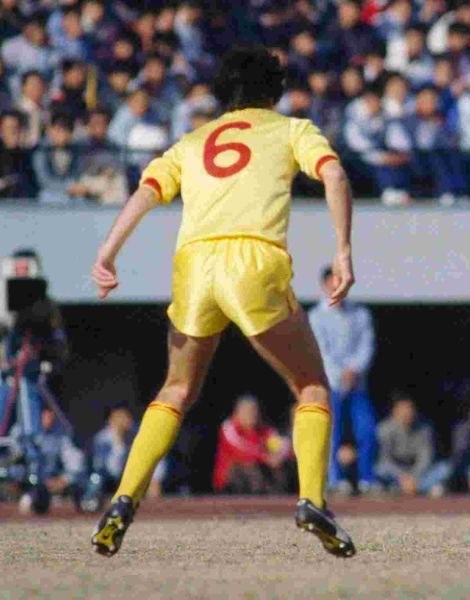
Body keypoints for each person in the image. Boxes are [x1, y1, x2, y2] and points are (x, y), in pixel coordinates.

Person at [89, 46, 358, 558]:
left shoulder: (191, 141)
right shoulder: (291, 129)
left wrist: (108, 252)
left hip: (193, 265)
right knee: (310, 385)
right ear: (275, 91)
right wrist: (342, 252)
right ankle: (312, 501)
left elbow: (146, 190)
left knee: (176, 387)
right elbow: (335, 176)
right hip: (253, 260)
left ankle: (124, 499)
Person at [0, 248, 68, 513]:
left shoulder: (46, 304)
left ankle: (33, 490)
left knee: (33, 436)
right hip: (4, 375)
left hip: (30, 376)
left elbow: (58, 339)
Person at [309, 265, 377, 495]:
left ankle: (367, 478)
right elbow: (321, 351)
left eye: (341, 282)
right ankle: (335, 479)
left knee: (366, 430)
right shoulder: (316, 316)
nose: (337, 287)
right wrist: (339, 374)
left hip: (357, 384)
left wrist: (354, 370)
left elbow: (366, 346)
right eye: (332, 282)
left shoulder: (360, 314)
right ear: (325, 285)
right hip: (332, 385)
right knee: (332, 431)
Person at [212, 395, 291, 494]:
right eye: (247, 411)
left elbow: (282, 444)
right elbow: (241, 448)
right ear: (237, 413)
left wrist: (279, 456)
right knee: (248, 469)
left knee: (280, 469)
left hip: (260, 476)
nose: (252, 415)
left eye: (254, 411)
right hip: (231, 482)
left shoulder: (264, 430)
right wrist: (266, 457)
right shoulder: (229, 427)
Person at [374, 392, 438, 495]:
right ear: (394, 412)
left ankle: (403, 488)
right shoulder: (384, 429)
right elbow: (384, 459)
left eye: (410, 409)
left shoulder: (425, 429)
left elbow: (426, 458)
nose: (407, 413)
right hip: (395, 473)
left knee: (445, 468)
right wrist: (402, 477)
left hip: (417, 473)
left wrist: (413, 477)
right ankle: (421, 488)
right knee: (379, 469)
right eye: (403, 410)